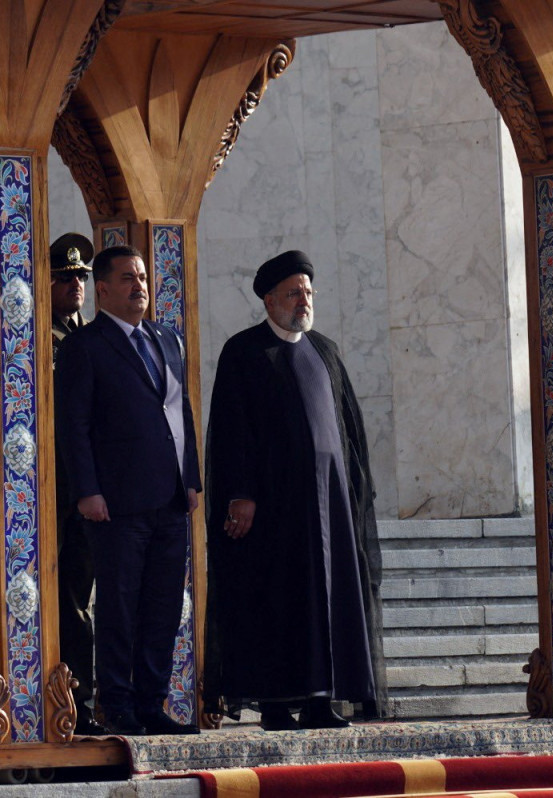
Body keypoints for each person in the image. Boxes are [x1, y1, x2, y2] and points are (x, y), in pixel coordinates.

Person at [204, 249, 386, 731]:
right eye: (292, 293)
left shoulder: (324, 350)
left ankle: (321, 699)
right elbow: (231, 430)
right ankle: (277, 704)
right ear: (269, 299)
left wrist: (353, 490)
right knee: (276, 599)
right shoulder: (244, 352)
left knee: (327, 599)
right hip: (272, 509)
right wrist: (240, 493)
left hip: (328, 505)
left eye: (308, 291)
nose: (303, 300)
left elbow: (347, 430)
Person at [54, 244, 202, 736]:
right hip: (115, 504)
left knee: (163, 606)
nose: (140, 286)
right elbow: (73, 426)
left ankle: (151, 701)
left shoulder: (167, 339)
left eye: (142, 277)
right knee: (119, 605)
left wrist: (193, 478)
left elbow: (181, 414)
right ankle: (115, 704)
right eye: (127, 279)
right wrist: (87, 491)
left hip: (170, 498)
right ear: (102, 289)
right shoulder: (87, 345)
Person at [47, 233, 104, 735]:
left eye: (82, 277)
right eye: (66, 278)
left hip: (103, 489)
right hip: (59, 492)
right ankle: (75, 698)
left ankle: (104, 693)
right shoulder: (42, 341)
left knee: (96, 598)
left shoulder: (95, 337)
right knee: (70, 601)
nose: (76, 285)